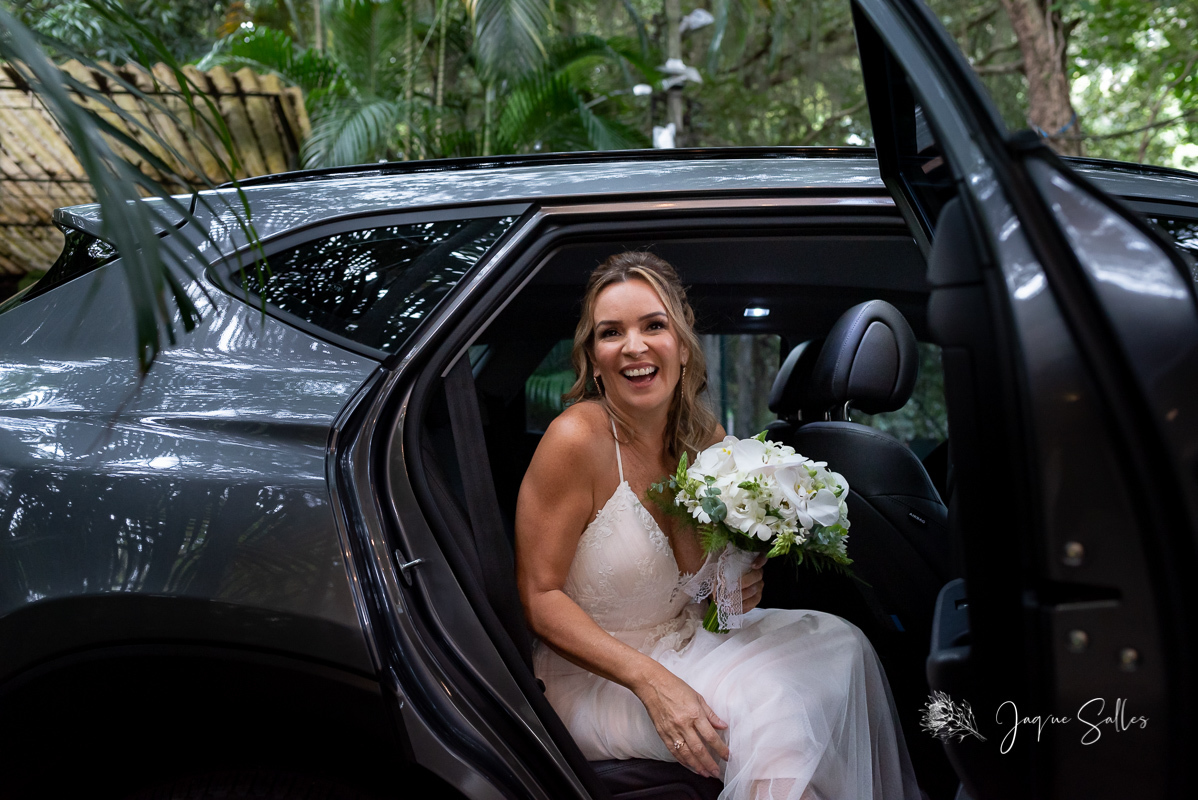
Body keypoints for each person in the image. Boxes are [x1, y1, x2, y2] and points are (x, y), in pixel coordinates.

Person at [515, 252, 921, 799]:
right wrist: (651, 683)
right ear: (593, 357)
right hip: (598, 678)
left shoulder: (707, 439)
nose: (634, 346)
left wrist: (734, 593)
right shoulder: (575, 441)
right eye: (611, 333)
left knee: (841, 644)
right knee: (775, 712)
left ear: (682, 345)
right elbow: (539, 597)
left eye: (653, 326)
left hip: (688, 645)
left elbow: (707, 604)